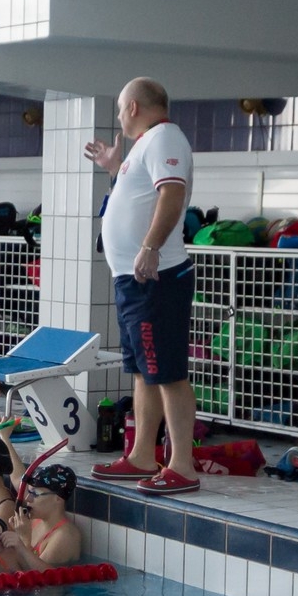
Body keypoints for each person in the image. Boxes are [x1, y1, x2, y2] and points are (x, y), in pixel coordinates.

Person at [83, 76, 200, 496]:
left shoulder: (165, 138)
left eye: (119, 108)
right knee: (143, 371)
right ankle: (141, 457)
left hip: (158, 277)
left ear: (132, 107)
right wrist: (117, 169)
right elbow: (139, 200)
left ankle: (182, 465)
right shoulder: (145, 147)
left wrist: (150, 247)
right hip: (136, 281)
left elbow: (171, 195)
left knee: (166, 372)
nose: (118, 116)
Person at [0, 464, 82, 569]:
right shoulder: (35, 521)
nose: (28, 498)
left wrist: (24, 539)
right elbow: (17, 478)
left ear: (58, 499)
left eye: (35, 494)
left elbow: (38, 579)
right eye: (29, 492)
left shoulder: (65, 537)